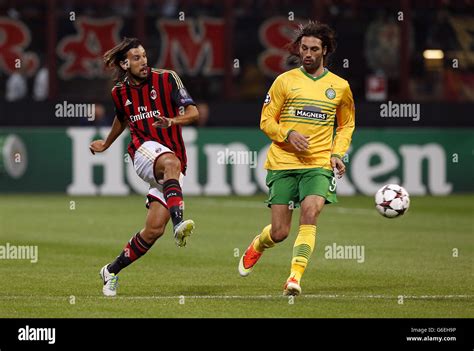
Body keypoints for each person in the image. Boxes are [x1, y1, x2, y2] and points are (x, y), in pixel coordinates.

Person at [238, 21, 355, 296]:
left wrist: (337, 153)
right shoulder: (285, 81)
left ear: (324, 50)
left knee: (310, 213)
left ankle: (294, 277)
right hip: (283, 163)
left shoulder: (339, 87)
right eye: (304, 48)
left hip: (318, 164)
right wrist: (287, 133)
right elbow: (266, 121)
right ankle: (258, 245)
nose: (308, 54)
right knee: (279, 232)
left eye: (314, 49)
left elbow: (346, 125)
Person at [90, 37, 199, 296]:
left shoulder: (167, 78)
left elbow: (194, 113)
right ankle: (179, 223)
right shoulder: (119, 92)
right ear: (125, 64)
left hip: (173, 162)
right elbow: (122, 119)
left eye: (145, 56)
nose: (144, 61)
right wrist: (106, 144)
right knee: (170, 162)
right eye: (137, 58)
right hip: (143, 153)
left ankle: (110, 271)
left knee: (152, 231)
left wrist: (172, 121)